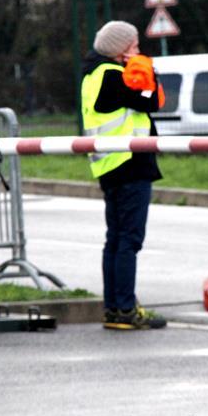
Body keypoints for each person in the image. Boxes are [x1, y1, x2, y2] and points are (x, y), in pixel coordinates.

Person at [80, 20, 167, 330]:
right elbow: (151, 100)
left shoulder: (93, 75)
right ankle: (126, 309)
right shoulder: (115, 75)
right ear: (120, 50)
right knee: (129, 239)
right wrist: (145, 69)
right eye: (134, 47)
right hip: (130, 164)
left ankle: (114, 308)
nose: (139, 52)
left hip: (109, 166)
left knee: (115, 240)